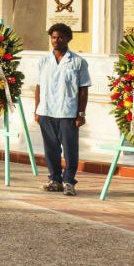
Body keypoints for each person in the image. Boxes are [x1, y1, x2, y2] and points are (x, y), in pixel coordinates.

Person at [33, 22, 91, 195]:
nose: (56, 40)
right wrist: (37, 110)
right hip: (46, 112)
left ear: (68, 39)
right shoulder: (43, 61)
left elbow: (83, 89)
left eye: (60, 37)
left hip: (68, 113)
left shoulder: (78, 62)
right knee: (50, 149)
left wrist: (80, 114)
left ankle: (69, 182)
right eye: (53, 37)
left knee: (70, 149)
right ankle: (55, 180)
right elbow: (38, 87)